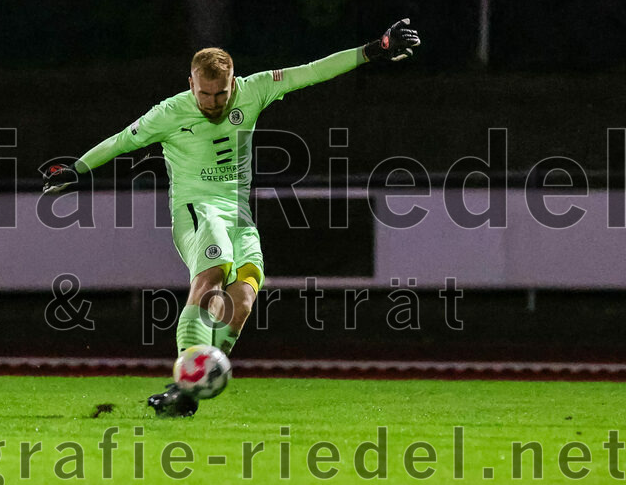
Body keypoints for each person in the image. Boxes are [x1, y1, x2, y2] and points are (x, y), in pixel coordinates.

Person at [44, 20, 420, 416]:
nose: (212, 102)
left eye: (220, 93)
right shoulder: (169, 112)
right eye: (204, 93)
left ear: (233, 82)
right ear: (191, 84)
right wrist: (78, 168)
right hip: (196, 210)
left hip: (239, 217)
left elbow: (311, 72)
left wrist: (374, 49)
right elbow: (123, 140)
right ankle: (186, 378)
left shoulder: (254, 90)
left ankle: (186, 393)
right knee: (213, 274)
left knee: (243, 299)